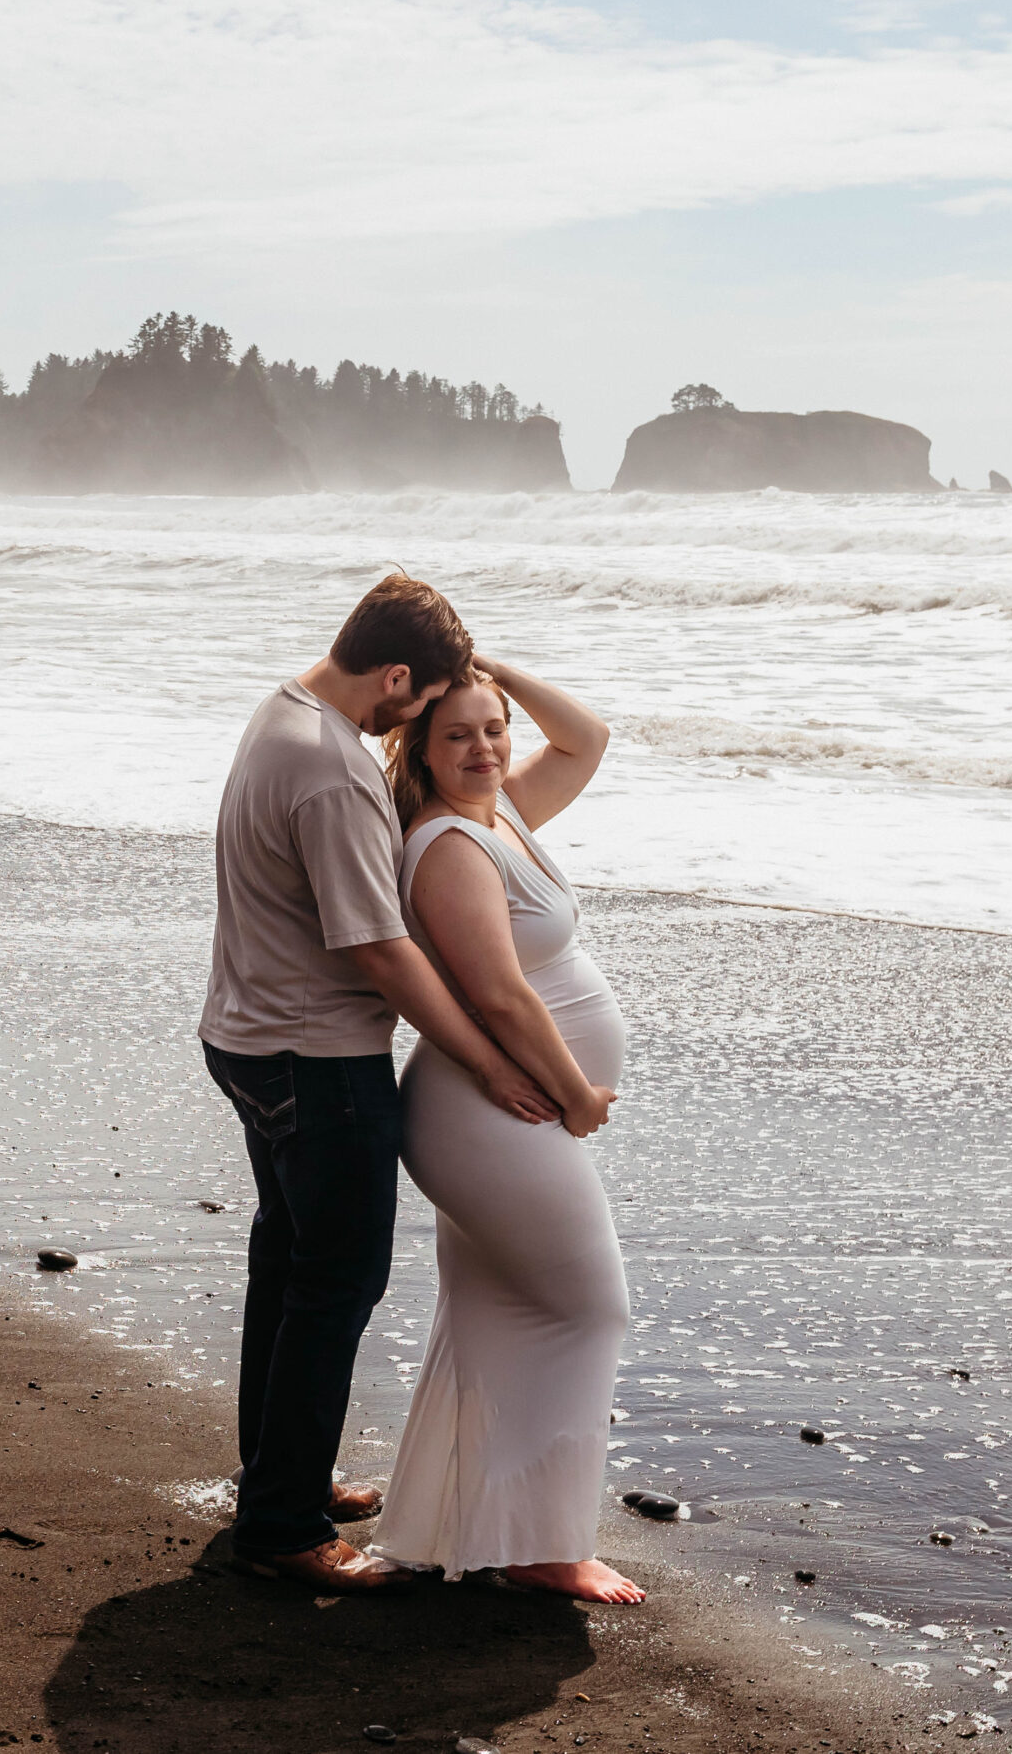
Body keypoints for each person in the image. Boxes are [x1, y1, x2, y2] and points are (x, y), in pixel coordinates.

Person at [201, 575, 560, 1596]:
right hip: (313, 1058)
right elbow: (381, 953)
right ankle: (280, 1526)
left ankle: (279, 1477)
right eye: (428, 698)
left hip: (248, 1037)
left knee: (289, 1261)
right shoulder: (330, 769)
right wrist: (492, 1060)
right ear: (396, 677)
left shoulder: (283, 712)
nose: (420, 721)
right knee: (336, 1281)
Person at [369, 656, 647, 1605]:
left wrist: (489, 672)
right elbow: (497, 992)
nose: (485, 748)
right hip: (489, 1113)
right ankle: (544, 1547)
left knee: (492, 1318)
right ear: (420, 749)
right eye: (458, 735)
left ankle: (468, 1526)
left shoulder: (505, 813)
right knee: (588, 1308)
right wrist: (576, 1095)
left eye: (493, 730)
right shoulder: (448, 846)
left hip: (501, 1111)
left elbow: (588, 737)